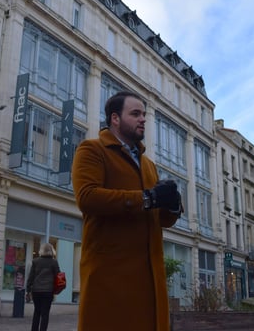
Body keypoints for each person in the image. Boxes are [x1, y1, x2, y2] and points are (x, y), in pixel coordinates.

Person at [72, 91, 183, 331]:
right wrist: (148, 197)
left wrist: (172, 205)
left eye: (143, 114)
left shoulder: (149, 165)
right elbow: (88, 197)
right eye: (135, 114)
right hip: (111, 281)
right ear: (115, 118)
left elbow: (160, 218)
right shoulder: (91, 150)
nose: (143, 119)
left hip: (151, 283)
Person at [26, 243, 60, 331]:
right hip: (48, 291)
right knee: (45, 314)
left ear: (42, 251)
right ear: (51, 251)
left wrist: (28, 289)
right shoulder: (54, 262)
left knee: (37, 312)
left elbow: (31, 277)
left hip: (36, 291)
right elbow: (58, 276)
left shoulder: (35, 261)